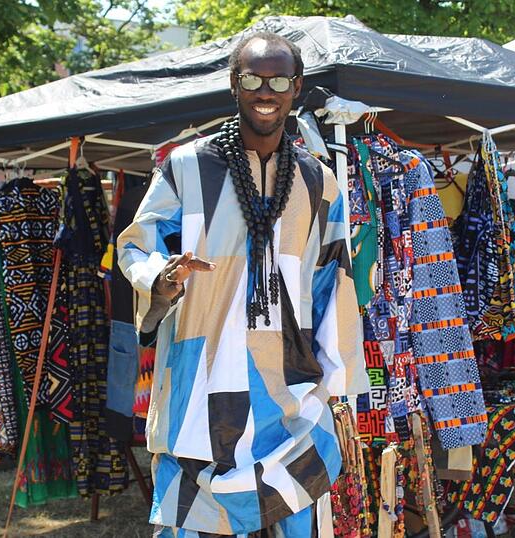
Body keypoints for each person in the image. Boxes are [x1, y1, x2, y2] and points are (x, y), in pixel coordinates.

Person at [118, 31, 369, 537]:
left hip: (286, 391)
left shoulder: (320, 182)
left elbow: (332, 280)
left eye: (278, 79)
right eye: (252, 78)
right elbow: (136, 245)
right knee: (187, 522)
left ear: (296, 88)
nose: (265, 91)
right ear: (235, 84)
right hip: (198, 384)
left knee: (297, 522)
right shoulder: (187, 167)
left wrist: (337, 378)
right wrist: (161, 280)